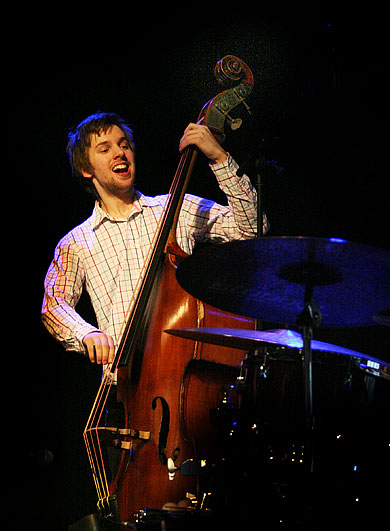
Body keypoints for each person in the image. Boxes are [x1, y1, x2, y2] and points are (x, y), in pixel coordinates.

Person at [41, 111, 268, 369]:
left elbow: (252, 229)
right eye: (105, 149)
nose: (119, 152)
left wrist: (219, 158)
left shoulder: (175, 207)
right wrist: (86, 333)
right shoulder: (76, 242)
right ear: (85, 169)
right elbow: (54, 304)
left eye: (124, 144)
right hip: (122, 388)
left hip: (182, 368)